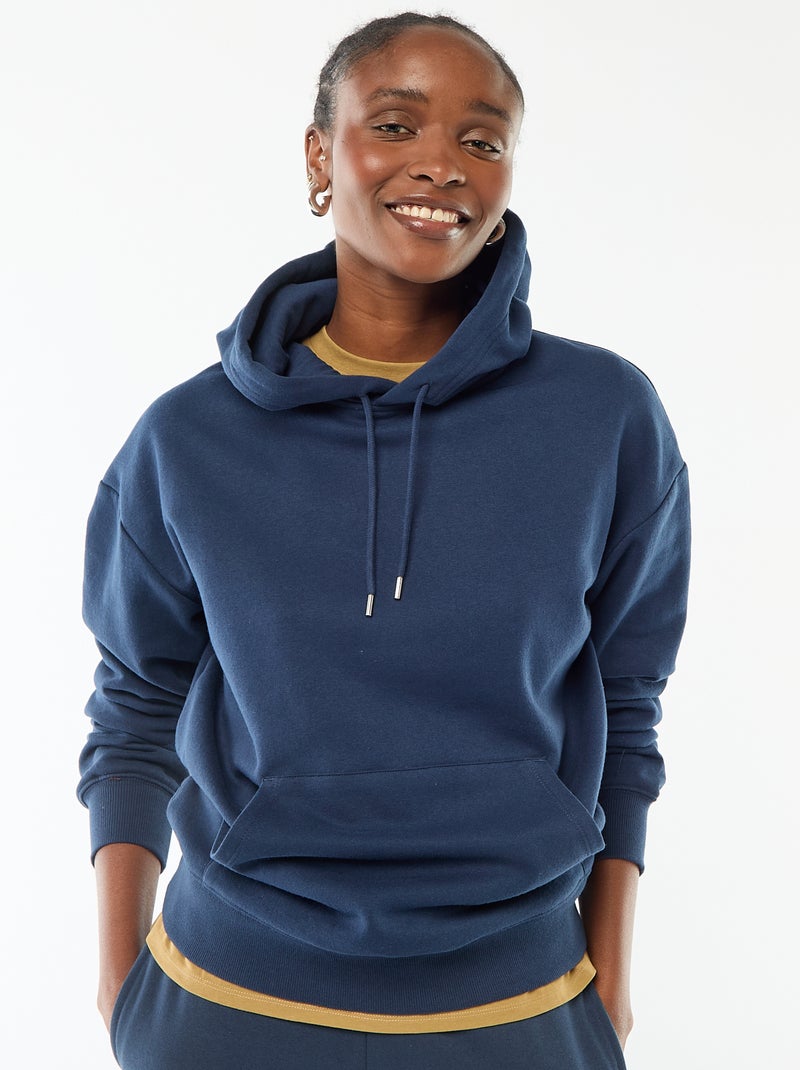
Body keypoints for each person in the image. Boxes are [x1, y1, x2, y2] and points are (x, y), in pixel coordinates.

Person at [77, 11, 691, 1070]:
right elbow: (135, 705)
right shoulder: (188, 437)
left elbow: (627, 700)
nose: (441, 164)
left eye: (481, 140)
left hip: (522, 1007)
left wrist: (611, 985)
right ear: (321, 156)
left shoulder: (603, 417)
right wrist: (118, 979)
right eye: (396, 125)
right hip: (222, 1002)